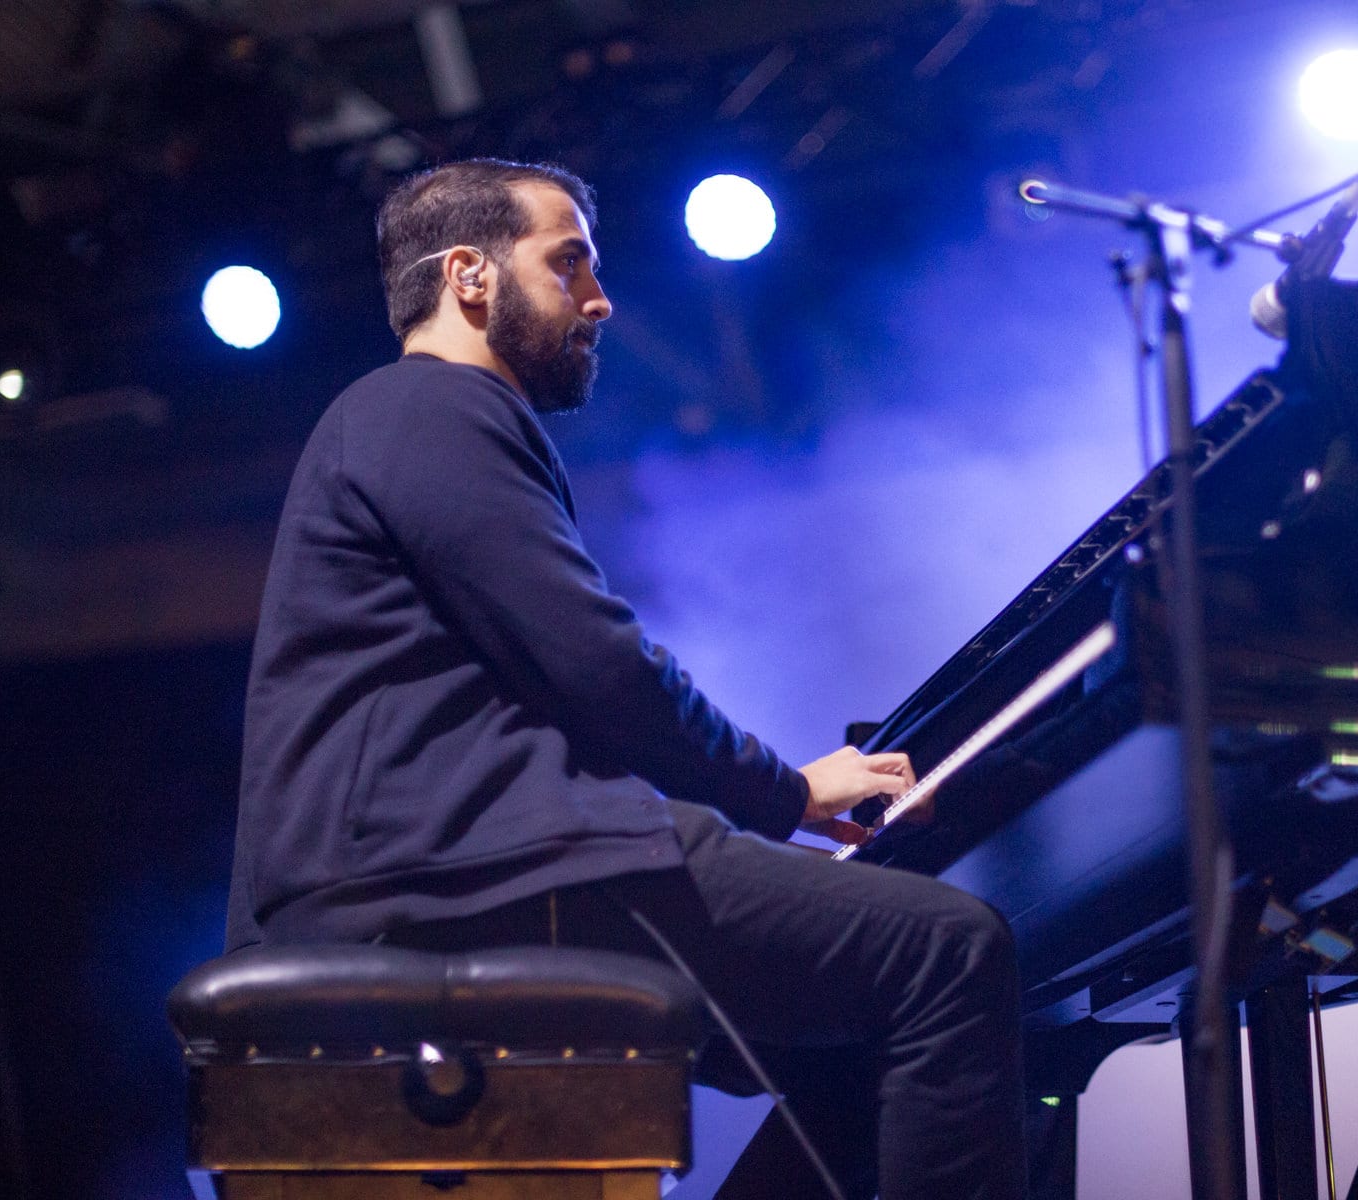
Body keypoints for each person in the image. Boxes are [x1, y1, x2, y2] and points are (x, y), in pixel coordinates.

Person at [223, 157, 1028, 1199]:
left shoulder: (400, 424)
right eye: (570, 266)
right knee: (951, 956)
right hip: (484, 875)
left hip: (463, 868)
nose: (599, 301)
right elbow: (595, 661)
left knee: (844, 1045)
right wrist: (785, 790)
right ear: (470, 274)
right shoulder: (428, 406)